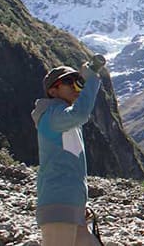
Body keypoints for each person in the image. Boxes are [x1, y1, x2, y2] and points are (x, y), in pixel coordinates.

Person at [31, 57, 104, 245]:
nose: (74, 86)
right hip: (58, 208)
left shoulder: (64, 119)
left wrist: (80, 205)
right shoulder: (52, 116)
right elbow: (80, 113)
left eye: (76, 81)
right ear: (52, 91)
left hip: (70, 207)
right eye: (67, 82)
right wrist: (92, 79)